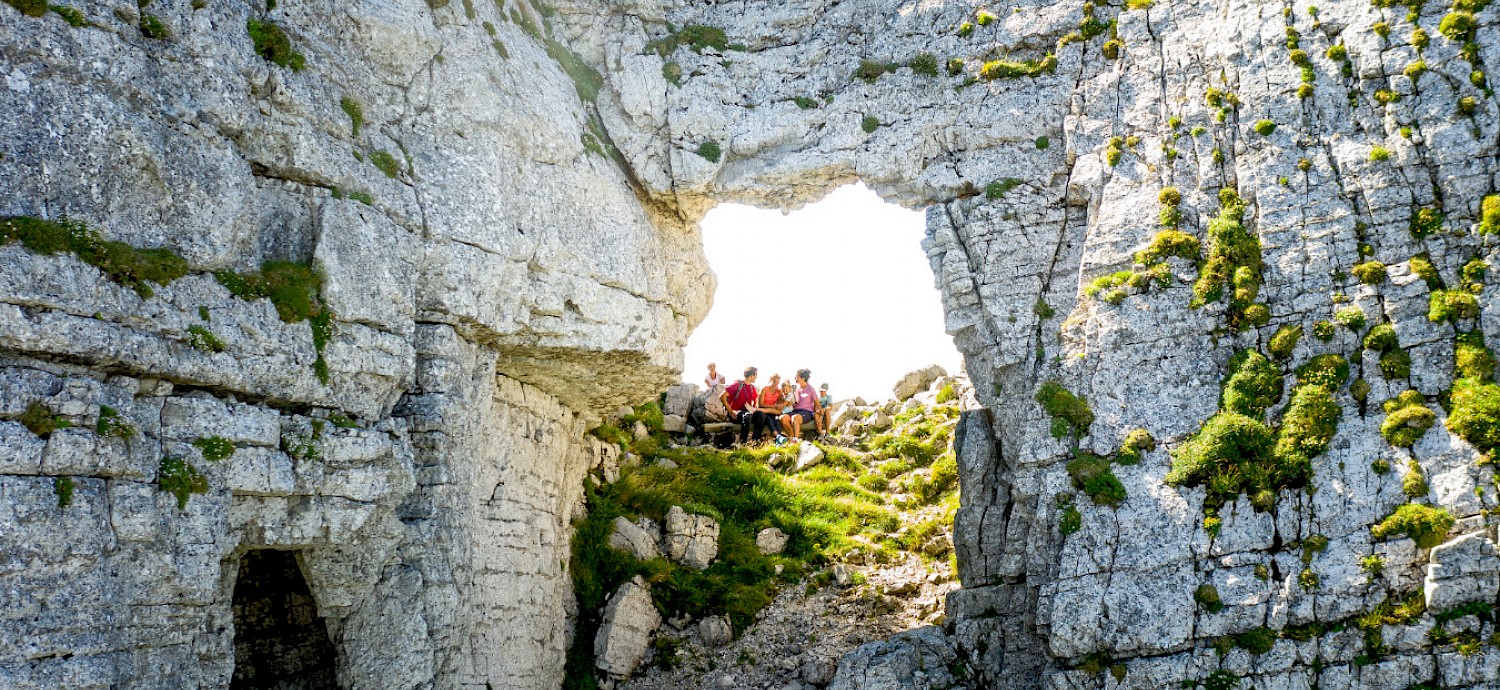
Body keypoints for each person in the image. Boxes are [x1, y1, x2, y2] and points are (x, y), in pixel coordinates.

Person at [779, 369, 821, 442]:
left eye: (796, 377)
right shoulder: (797, 389)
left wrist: (820, 413)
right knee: (783, 418)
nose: (795, 378)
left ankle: (795, 439)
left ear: (803, 378)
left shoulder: (811, 389)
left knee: (795, 418)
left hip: (807, 412)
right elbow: (796, 401)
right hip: (796, 410)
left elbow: (817, 403)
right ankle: (794, 439)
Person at [720, 367, 759, 444]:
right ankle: (743, 442)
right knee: (747, 416)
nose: (756, 377)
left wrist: (755, 406)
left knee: (761, 415)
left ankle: (755, 440)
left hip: (747, 411)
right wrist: (730, 412)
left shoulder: (752, 387)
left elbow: (756, 399)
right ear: (751, 376)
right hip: (736, 413)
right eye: (756, 375)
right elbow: (722, 396)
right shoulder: (737, 385)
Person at [751, 373, 784, 442]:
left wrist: (781, 396)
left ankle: (778, 439)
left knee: (777, 421)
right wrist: (773, 406)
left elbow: (780, 404)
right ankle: (777, 437)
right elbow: (761, 404)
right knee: (769, 420)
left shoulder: (778, 391)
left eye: (777, 383)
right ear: (770, 380)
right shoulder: (765, 389)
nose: (775, 384)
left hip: (772, 412)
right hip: (763, 411)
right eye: (774, 382)